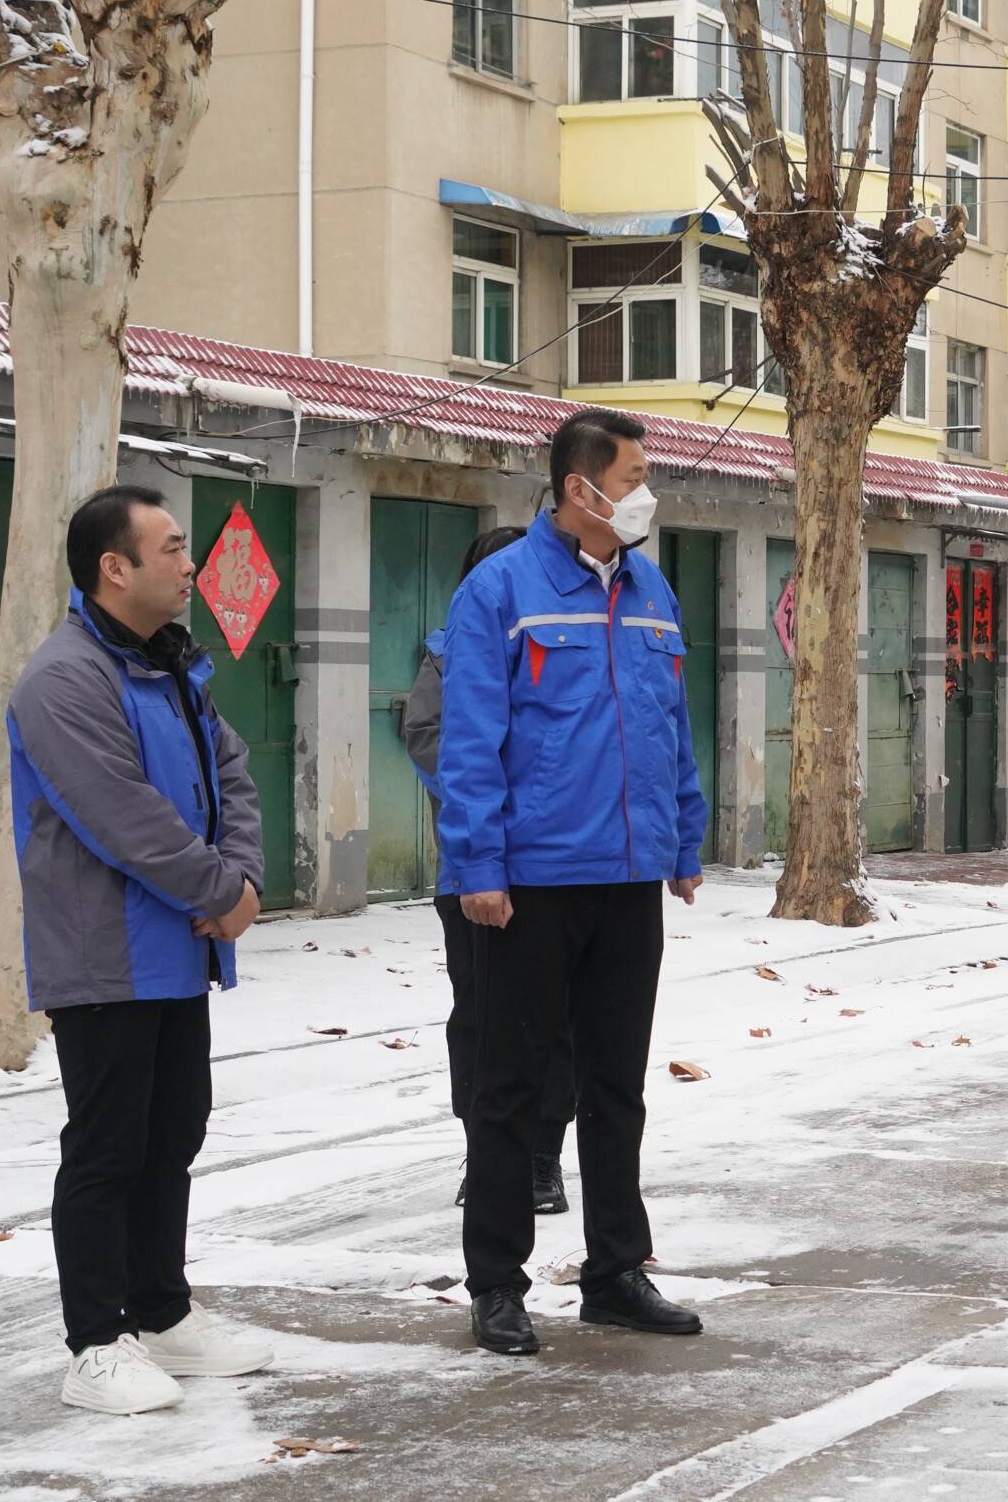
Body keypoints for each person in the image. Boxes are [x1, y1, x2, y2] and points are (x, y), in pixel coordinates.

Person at [438, 409, 709, 1356]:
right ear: (578, 488)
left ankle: (616, 1272)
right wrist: (477, 864)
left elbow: (671, 723)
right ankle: (496, 1283)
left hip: (628, 874)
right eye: (632, 478)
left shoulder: (650, 588)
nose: (644, 495)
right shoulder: (499, 590)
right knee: (511, 1088)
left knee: (615, 1086)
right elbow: (469, 742)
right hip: (532, 880)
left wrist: (683, 835)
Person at [10, 486, 273, 1414]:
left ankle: (161, 1312)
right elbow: (123, 816)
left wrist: (243, 876)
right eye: (170, 548)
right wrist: (220, 891)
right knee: (108, 1147)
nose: (189, 564)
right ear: (113, 568)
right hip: (104, 952)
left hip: (175, 948)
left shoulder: (169, 666)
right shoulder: (63, 679)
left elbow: (230, 771)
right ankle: (95, 1340)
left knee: (173, 1134)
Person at [401, 525, 576, 1217]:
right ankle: (487, 1152)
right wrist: (499, 791)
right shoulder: (447, 652)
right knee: (479, 1014)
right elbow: (426, 737)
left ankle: (541, 1157)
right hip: (472, 872)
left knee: (555, 1017)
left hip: (557, 868)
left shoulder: (565, 644)